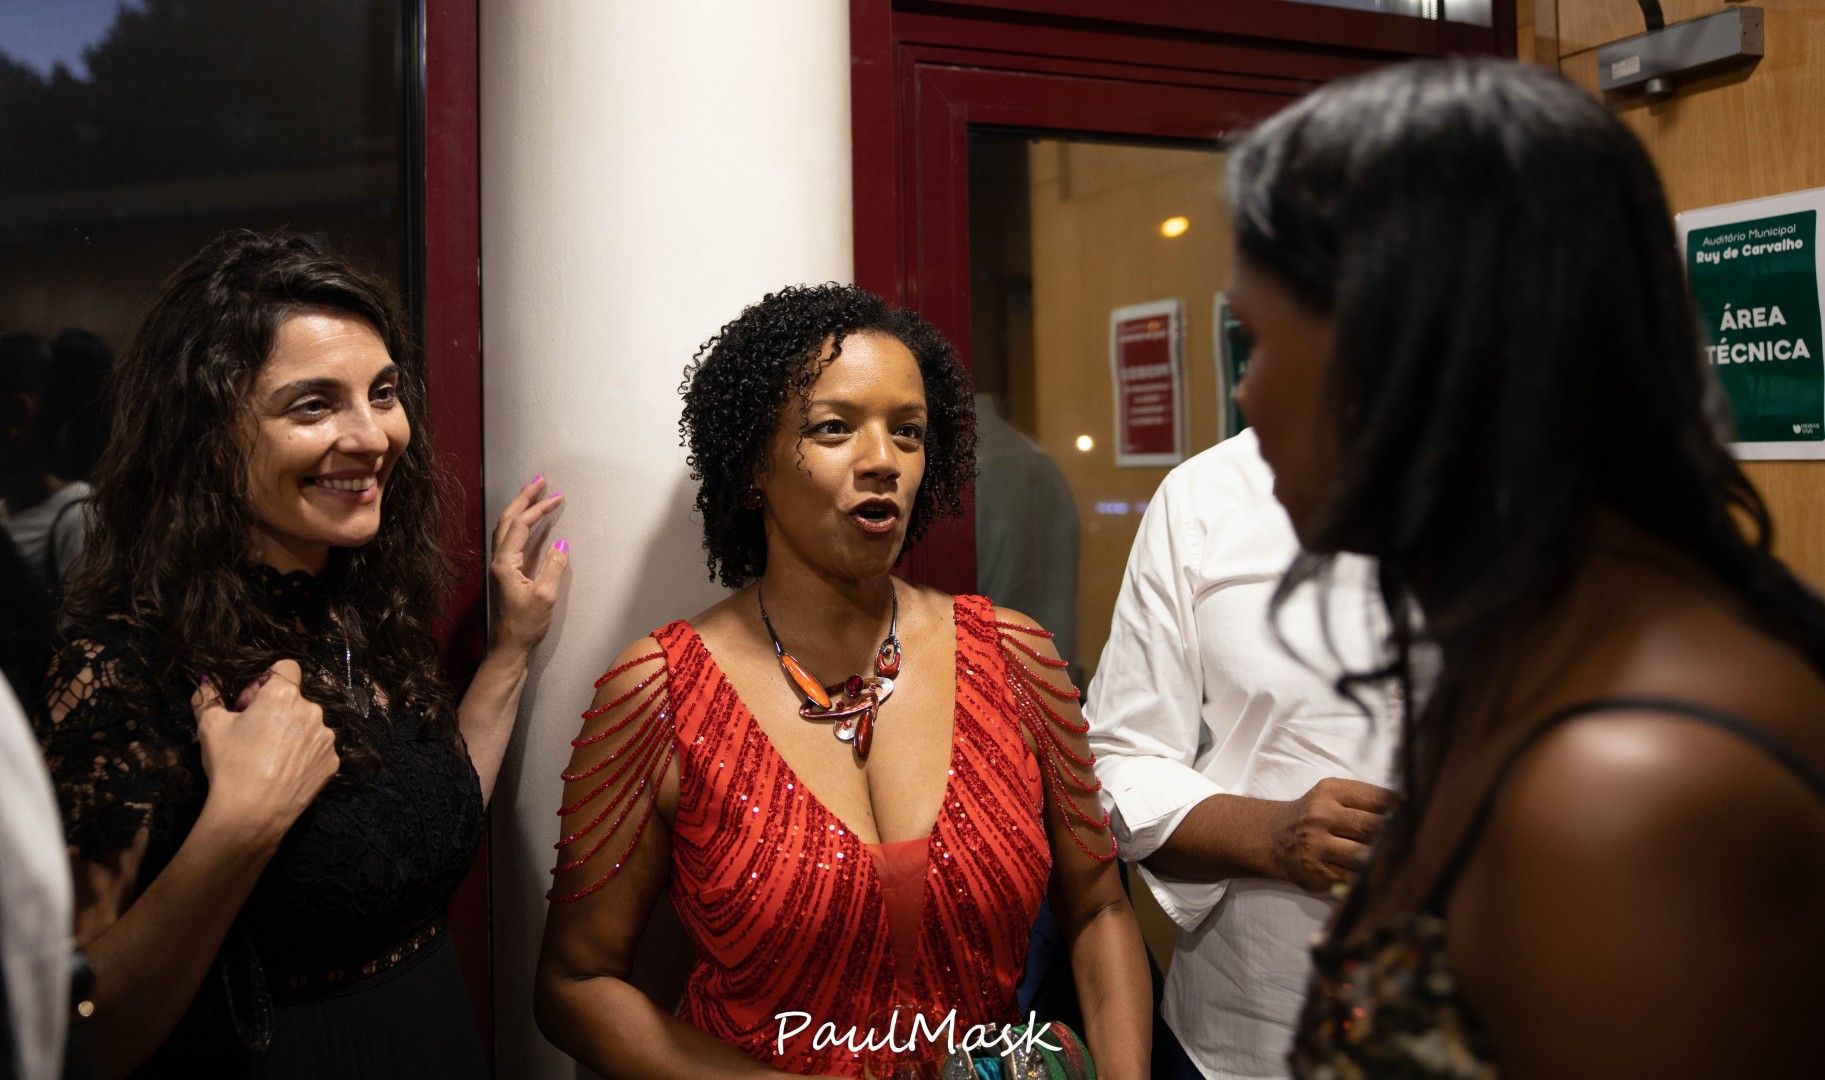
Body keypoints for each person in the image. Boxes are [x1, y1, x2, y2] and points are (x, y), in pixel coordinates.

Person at [1222, 59, 1825, 1078]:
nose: (1245, 393)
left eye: (1260, 338)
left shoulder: (1627, 791)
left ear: (1405, 347)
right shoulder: (1533, 647)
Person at [535, 284, 1151, 1079]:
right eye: (833, 428)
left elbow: (1099, 908)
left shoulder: (1015, 660)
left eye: (907, 432)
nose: (882, 461)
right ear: (753, 464)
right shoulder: (661, 694)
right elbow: (575, 984)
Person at [31, 229, 569, 1079]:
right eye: (313, 406)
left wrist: (510, 651)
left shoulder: (354, 604)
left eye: (382, 393)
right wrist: (241, 825)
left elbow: (408, 828)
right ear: (207, 436)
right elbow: (82, 1034)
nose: (372, 436)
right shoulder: (124, 661)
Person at [1084, 426, 1399, 1080]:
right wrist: (1271, 836)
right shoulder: (1209, 494)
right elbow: (1117, 756)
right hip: (1250, 1034)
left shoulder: (1556, 484)